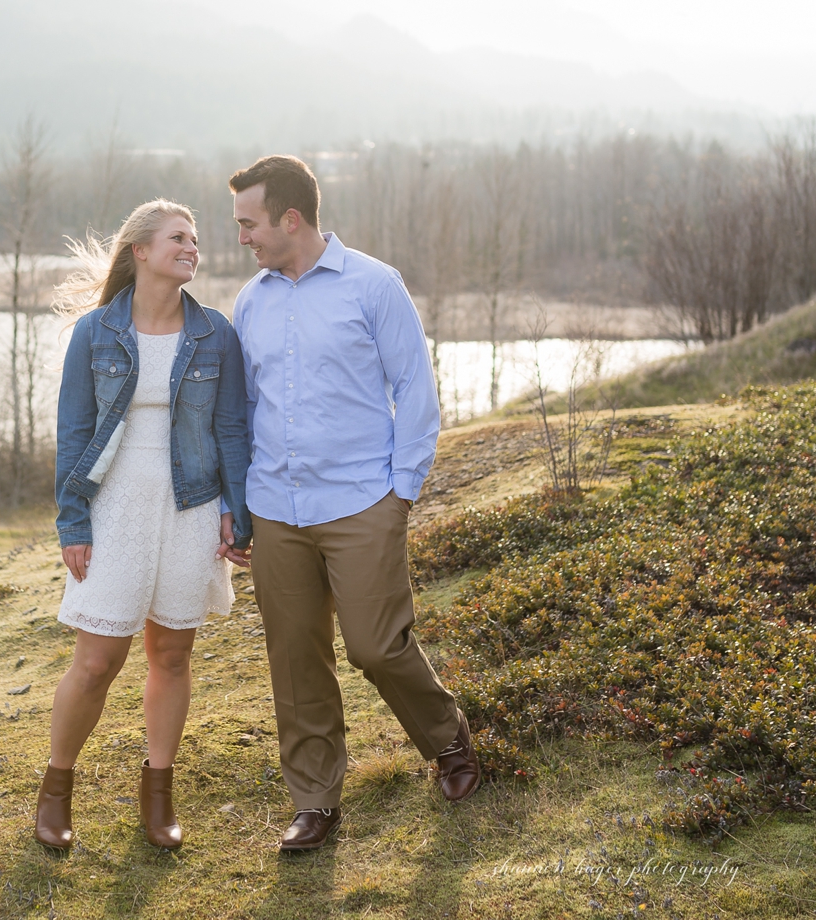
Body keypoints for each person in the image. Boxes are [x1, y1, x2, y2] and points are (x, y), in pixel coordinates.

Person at [226, 155, 481, 854]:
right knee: (295, 660)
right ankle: (315, 803)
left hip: (363, 501)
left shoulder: (374, 285)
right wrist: (240, 505)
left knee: (376, 646)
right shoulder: (251, 301)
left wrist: (402, 491)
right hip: (278, 508)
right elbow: (245, 410)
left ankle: (448, 741)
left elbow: (416, 392)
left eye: (249, 223)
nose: (242, 236)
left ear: (291, 218)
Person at [33, 199, 253, 851]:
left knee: (173, 653)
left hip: (191, 505)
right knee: (98, 659)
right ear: (142, 252)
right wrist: (72, 521)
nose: (192, 247)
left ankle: (158, 796)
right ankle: (56, 790)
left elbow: (232, 429)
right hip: (115, 503)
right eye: (178, 238)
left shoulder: (217, 334)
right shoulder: (95, 334)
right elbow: (73, 433)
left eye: (195, 239)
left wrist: (237, 514)